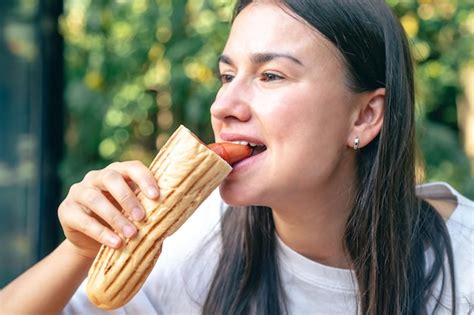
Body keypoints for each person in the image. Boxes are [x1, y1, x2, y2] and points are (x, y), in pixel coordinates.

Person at [1, 0, 473, 314]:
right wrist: (80, 250)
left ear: (366, 116)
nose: (222, 107)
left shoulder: (464, 271)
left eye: (271, 76)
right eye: (228, 76)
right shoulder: (193, 240)